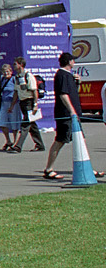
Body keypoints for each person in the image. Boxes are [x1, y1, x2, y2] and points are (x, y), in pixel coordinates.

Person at [41, 53, 99, 181]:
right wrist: (72, 111)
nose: (74, 63)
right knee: (60, 141)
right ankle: (48, 169)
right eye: (73, 61)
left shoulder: (69, 76)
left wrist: (77, 83)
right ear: (69, 62)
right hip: (66, 115)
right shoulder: (61, 75)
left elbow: (73, 93)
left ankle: (87, 168)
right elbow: (63, 95)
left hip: (73, 115)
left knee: (81, 141)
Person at [13, 58, 46, 152]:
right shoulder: (17, 76)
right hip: (22, 102)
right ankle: (40, 145)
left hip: (29, 102)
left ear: (20, 65)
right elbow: (16, 91)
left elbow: (34, 91)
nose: (14, 66)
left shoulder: (29, 75)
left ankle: (18, 146)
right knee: (32, 124)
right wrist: (12, 105)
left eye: (15, 64)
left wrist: (35, 104)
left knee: (26, 124)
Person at [0, 63, 23, 151]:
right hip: (4, 103)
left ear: (11, 72)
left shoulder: (14, 79)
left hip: (13, 103)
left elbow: (16, 92)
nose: (6, 73)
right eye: (4, 72)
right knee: (2, 122)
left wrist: (12, 105)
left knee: (14, 123)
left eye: (7, 72)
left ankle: (15, 142)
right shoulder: (2, 79)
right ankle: (8, 141)